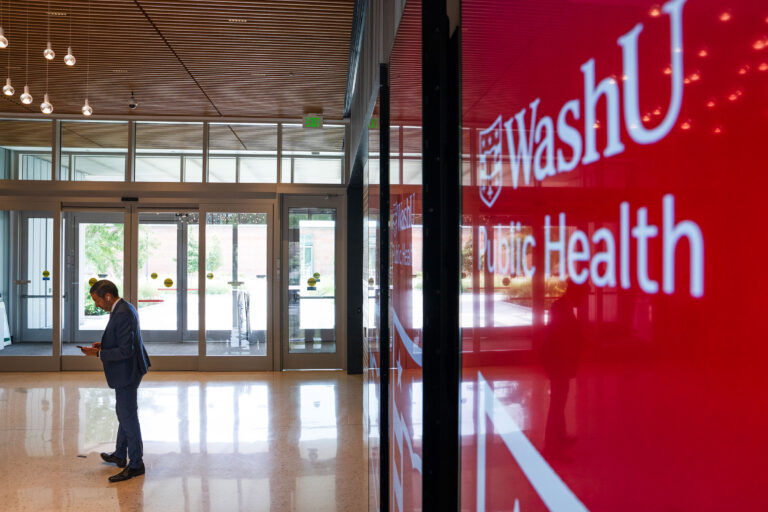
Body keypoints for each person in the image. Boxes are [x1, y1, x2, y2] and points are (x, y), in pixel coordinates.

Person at [80, 280, 151, 482]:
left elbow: (125, 351)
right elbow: (123, 340)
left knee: (128, 416)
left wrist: (98, 353)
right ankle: (120, 454)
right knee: (124, 413)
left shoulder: (122, 313)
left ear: (108, 296)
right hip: (130, 368)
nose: (96, 305)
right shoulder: (124, 307)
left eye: (97, 300)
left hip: (128, 370)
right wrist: (103, 345)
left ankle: (136, 464)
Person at [541, 279, 589, 455]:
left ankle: (560, 437)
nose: (584, 301)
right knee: (557, 404)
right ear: (576, 293)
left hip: (560, 364)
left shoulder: (562, 306)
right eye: (584, 296)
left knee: (559, 402)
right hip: (559, 364)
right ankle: (551, 447)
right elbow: (560, 341)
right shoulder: (561, 308)